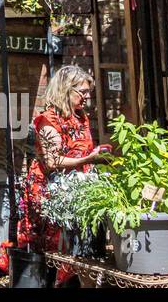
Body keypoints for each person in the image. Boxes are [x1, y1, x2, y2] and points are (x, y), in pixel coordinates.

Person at [15, 65, 111, 271]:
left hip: (76, 189)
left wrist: (96, 157)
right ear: (65, 90)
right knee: (54, 250)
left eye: (88, 92)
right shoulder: (48, 121)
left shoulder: (80, 116)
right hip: (52, 192)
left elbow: (82, 150)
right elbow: (52, 162)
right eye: (82, 92)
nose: (86, 97)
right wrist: (88, 160)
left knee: (77, 250)